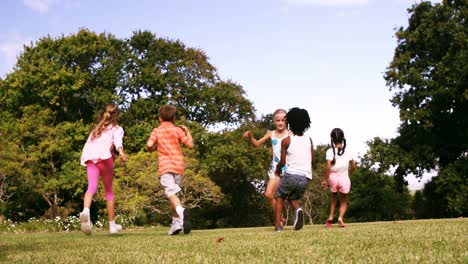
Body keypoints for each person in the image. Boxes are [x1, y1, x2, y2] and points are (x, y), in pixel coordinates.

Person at [79, 103, 127, 235]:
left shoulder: (97, 129)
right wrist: (121, 153)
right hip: (105, 159)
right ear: (116, 115)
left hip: (90, 158)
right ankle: (112, 226)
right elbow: (118, 143)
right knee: (109, 191)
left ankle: (86, 211)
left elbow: (89, 145)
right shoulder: (117, 129)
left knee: (91, 188)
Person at [146, 104, 194, 236]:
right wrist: (188, 132)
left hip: (166, 166)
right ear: (174, 119)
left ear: (160, 118)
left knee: (170, 193)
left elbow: (149, 145)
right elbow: (190, 145)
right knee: (174, 195)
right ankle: (175, 224)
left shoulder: (157, 131)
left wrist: (154, 147)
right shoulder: (177, 130)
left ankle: (181, 211)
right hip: (178, 166)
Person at [243, 109, 289, 225]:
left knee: (289, 197)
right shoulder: (271, 134)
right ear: (274, 121)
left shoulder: (291, 134)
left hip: (289, 168)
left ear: (286, 121)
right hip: (275, 169)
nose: (280, 123)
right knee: (268, 194)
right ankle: (281, 218)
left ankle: (290, 218)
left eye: (283, 120)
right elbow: (257, 144)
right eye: (277, 120)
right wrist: (250, 137)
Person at [274, 107, 314, 232]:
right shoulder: (309, 139)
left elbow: (282, 162)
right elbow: (312, 158)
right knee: (292, 198)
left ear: (289, 123)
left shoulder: (286, 140)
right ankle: (298, 210)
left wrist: (278, 168)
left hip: (291, 175)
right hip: (305, 178)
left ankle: (278, 227)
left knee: (279, 196)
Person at [321, 128, 356, 228]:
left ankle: (331, 217)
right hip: (344, 177)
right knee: (344, 201)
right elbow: (353, 166)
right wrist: (348, 173)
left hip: (333, 177)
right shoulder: (349, 152)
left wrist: (325, 179)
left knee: (333, 197)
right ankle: (340, 218)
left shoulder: (329, 151)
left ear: (332, 139)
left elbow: (328, 166)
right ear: (343, 138)